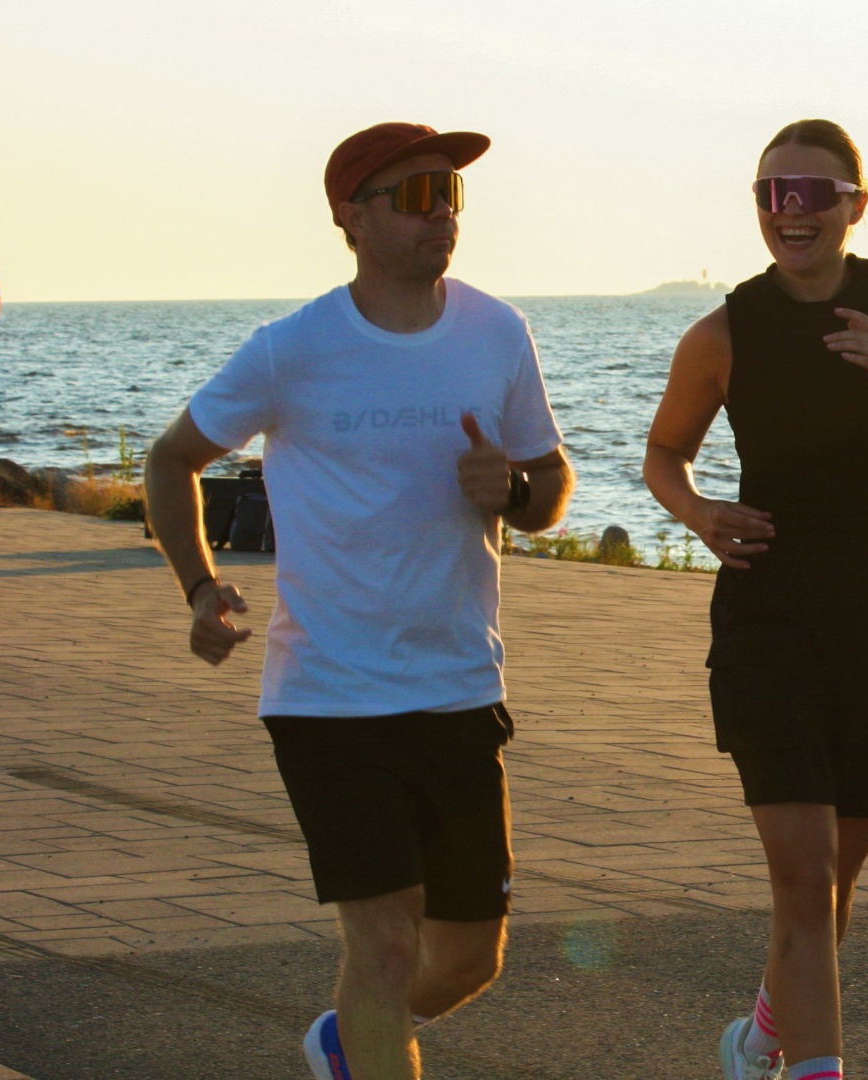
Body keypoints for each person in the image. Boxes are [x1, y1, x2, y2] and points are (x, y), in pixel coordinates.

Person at [143, 122, 574, 1080]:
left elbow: (549, 485)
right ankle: (372, 1027)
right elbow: (171, 459)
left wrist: (509, 491)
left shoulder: (497, 333)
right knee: (381, 950)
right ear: (352, 217)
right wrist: (201, 584)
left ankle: (351, 1040)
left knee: (467, 958)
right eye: (417, 196)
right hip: (328, 697)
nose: (442, 216)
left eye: (451, 194)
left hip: (460, 685)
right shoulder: (292, 350)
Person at [644, 119, 868, 1080]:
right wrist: (702, 513)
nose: (790, 215)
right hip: (772, 604)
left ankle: (761, 1035)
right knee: (804, 876)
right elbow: (663, 453)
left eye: (812, 195)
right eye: (770, 195)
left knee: (831, 887)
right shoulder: (724, 332)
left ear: (855, 205)